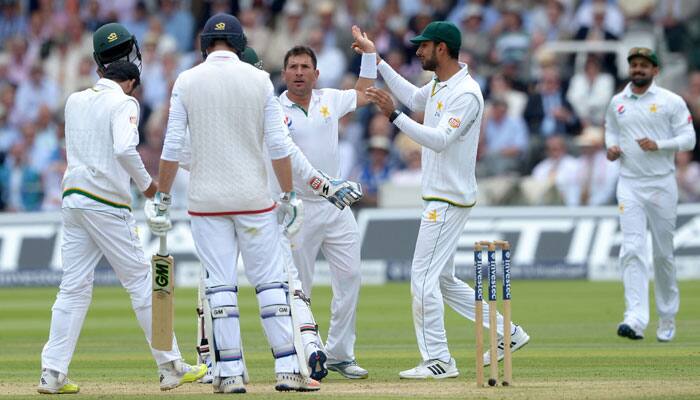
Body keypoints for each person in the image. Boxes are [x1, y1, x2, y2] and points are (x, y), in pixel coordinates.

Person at [145, 14, 357, 393]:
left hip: (206, 202)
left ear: (204, 44)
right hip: (254, 200)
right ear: (240, 45)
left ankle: (227, 373)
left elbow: (172, 146)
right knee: (272, 284)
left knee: (220, 288)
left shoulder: (186, 80)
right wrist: (291, 196)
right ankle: (289, 368)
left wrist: (161, 197)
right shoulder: (259, 79)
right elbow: (280, 146)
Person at [354, 21, 530, 379]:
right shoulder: (439, 84)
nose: (418, 51)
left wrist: (392, 116)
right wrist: (379, 61)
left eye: (424, 46)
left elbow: (437, 140)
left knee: (421, 278)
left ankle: (438, 360)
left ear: (443, 49)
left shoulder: (466, 93)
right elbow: (412, 97)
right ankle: (508, 332)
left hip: (447, 199)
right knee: (444, 281)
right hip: (443, 196)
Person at [37, 60, 206, 394]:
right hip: (106, 202)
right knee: (143, 282)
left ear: (103, 75)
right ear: (131, 83)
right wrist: (148, 187)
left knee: (72, 288)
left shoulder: (74, 100)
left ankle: (52, 372)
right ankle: (171, 366)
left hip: (72, 199)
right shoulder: (125, 102)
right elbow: (124, 148)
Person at [277, 37, 375, 379]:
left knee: (350, 276)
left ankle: (339, 353)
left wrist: (370, 55)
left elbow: (364, 94)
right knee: (299, 286)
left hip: (336, 204)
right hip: (297, 207)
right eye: (293, 67)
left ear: (317, 74)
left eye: (305, 67)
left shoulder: (328, 99)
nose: (299, 73)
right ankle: (303, 353)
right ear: (284, 73)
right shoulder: (275, 110)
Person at [605, 47, 696, 342]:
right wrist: (612, 148)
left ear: (655, 71)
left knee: (662, 254)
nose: (638, 70)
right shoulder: (618, 102)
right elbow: (611, 131)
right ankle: (635, 318)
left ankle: (667, 317)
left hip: (661, 184)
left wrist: (659, 145)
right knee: (631, 249)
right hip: (629, 183)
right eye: (634, 65)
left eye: (644, 65)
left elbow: (689, 139)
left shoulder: (671, 102)